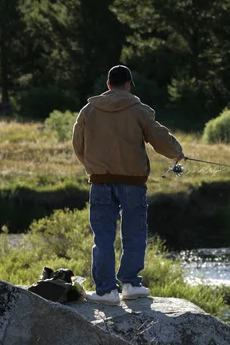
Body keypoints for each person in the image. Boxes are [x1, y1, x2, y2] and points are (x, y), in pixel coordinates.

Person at [72, 65, 185, 305]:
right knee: (134, 234)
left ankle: (105, 291)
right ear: (129, 84)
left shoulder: (88, 110)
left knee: (102, 237)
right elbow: (159, 137)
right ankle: (131, 285)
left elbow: (77, 145)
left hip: (100, 182)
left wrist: (94, 168)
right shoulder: (138, 110)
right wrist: (177, 152)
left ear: (108, 85)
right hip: (133, 183)